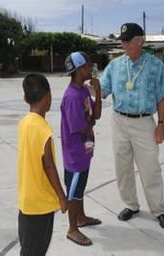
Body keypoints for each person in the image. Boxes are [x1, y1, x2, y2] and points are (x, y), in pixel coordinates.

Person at [99, 23, 164, 229]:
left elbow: (162, 97)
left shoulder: (155, 65)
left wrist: (161, 124)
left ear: (140, 40)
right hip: (119, 120)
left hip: (144, 122)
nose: (124, 44)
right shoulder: (114, 66)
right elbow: (102, 90)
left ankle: (159, 210)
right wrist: (86, 93)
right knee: (122, 167)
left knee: (150, 168)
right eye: (122, 40)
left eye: (128, 40)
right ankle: (131, 205)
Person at [17, 73, 67, 256]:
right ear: (49, 96)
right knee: (35, 250)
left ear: (25, 98)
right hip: (40, 204)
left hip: (26, 200)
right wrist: (61, 196)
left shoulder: (24, 123)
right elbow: (49, 166)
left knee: (29, 247)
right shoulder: (43, 129)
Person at [61, 52, 102, 246]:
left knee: (80, 188)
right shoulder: (71, 96)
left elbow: (97, 115)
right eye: (87, 66)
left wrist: (98, 93)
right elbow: (80, 126)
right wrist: (91, 121)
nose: (90, 69)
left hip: (85, 149)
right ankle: (72, 228)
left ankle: (81, 218)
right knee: (73, 191)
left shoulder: (85, 91)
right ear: (78, 70)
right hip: (75, 153)